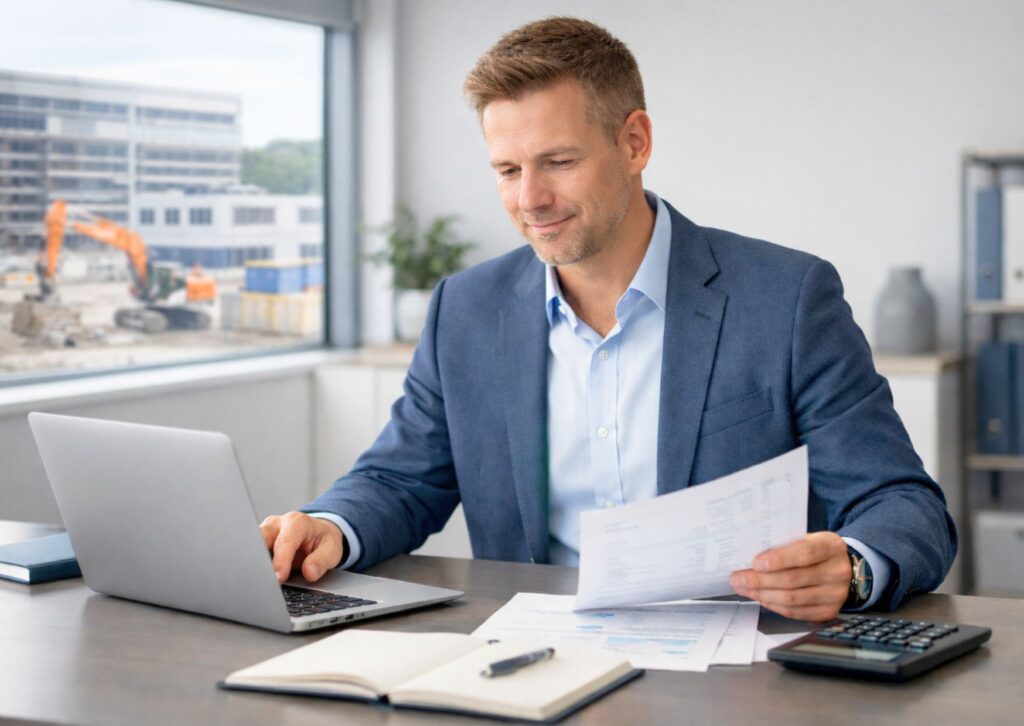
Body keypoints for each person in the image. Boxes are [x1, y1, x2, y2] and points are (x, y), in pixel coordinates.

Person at [261, 17, 956, 623]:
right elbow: (399, 481)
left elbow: (902, 503)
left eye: (557, 162)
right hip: (530, 661)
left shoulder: (787, 299)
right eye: (506, 170)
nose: (530, 198)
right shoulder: (465, 311)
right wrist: (329, 526)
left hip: (735, 673)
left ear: (634, 143)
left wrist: (854, 565)